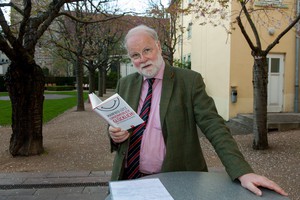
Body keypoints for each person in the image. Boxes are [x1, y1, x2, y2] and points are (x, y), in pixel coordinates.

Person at [108, 24, 288, 197]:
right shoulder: (125, 84)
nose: (142, 59)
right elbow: (117, 122)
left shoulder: (189, 81)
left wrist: (242, 171)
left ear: (158, 46)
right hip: (129, 177)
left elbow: (214, 127)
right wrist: (114, 134)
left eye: (147, 50)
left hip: (173, 178)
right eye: (135, 55)